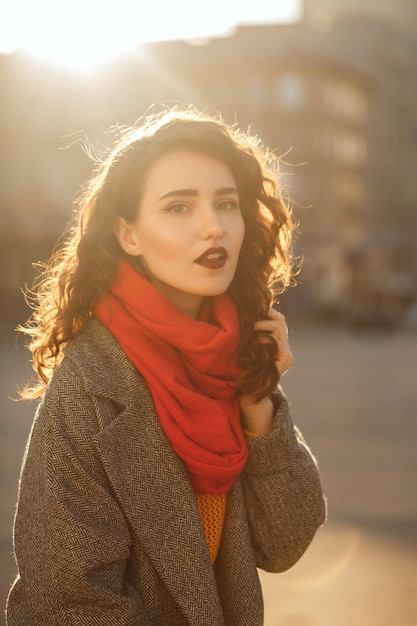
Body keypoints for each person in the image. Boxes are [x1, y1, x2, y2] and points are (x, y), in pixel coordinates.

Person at [6, 106, 326, 625]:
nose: (213, 227)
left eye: (227, 204)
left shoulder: (234, 357)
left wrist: (260, 407)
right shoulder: (93, 381)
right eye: (179, 208)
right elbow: (71, 602)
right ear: (129, 235)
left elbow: (283, 543)